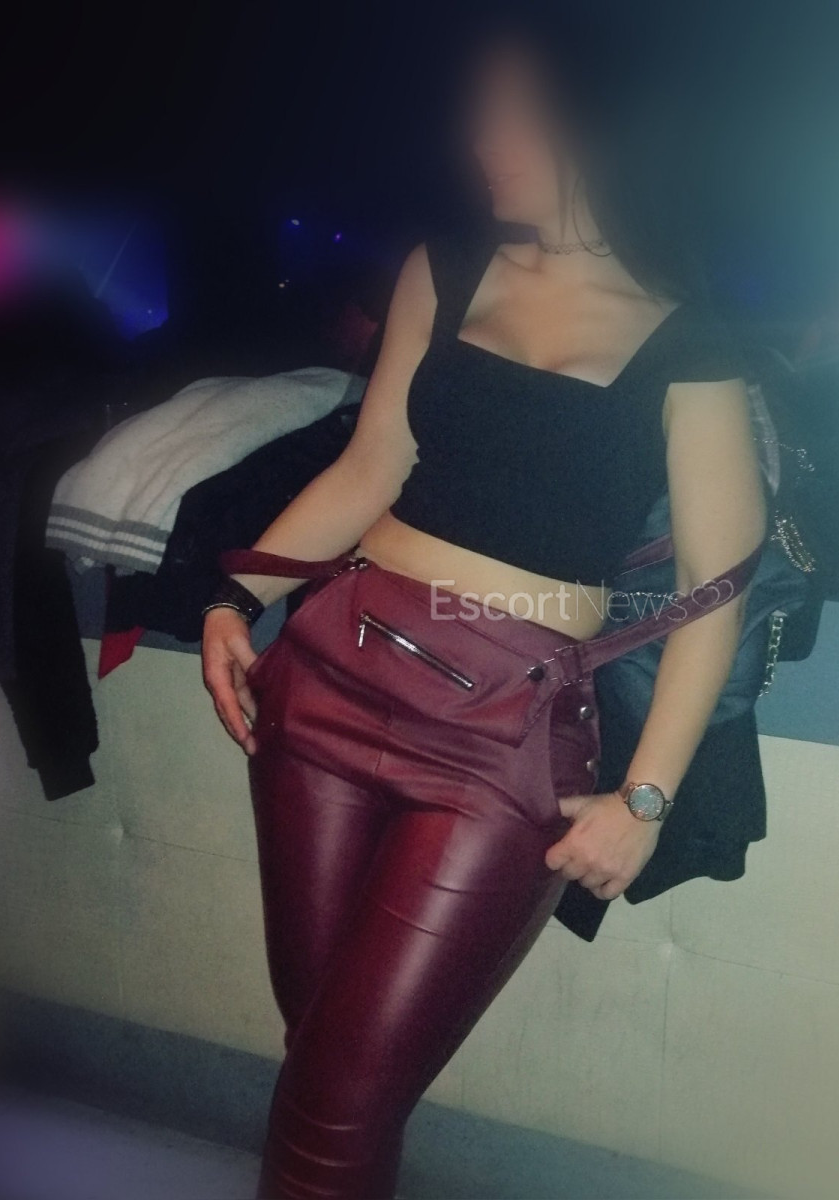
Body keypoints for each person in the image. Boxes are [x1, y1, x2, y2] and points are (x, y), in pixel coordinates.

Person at [200, 11, 765, 1199]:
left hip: (500, 741)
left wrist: (645, 799)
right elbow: (369, 467)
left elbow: (714, 598)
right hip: (327, 679)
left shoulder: (691, 340)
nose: (480, 137)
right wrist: (236, 594)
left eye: (511, 112)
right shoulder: (445, 267)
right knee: (326, 1055)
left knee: (337, 1096)